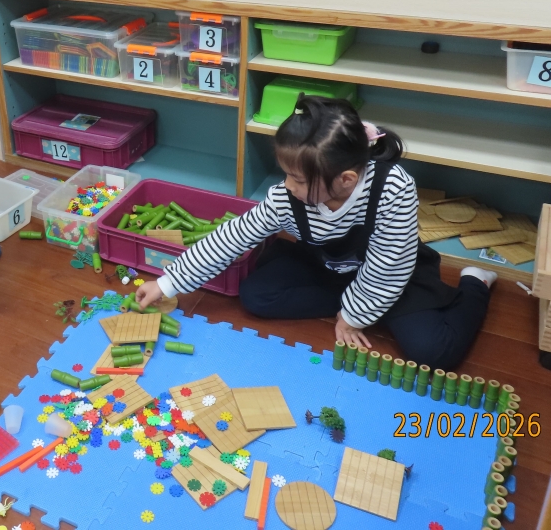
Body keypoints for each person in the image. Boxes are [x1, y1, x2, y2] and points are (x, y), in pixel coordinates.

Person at [136, 96, 494, 371]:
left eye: (299, 179)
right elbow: (232, 236)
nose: (288, 186)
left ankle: (475, 283)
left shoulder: (393, 188)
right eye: (286, 174)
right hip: (328, 265)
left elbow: (388, 267)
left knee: (434, 352)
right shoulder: (286, 198)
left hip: (395, 274)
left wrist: (353, 317)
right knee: (256, 296)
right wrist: (168, 283)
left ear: (346, 180)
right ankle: (366, 306)